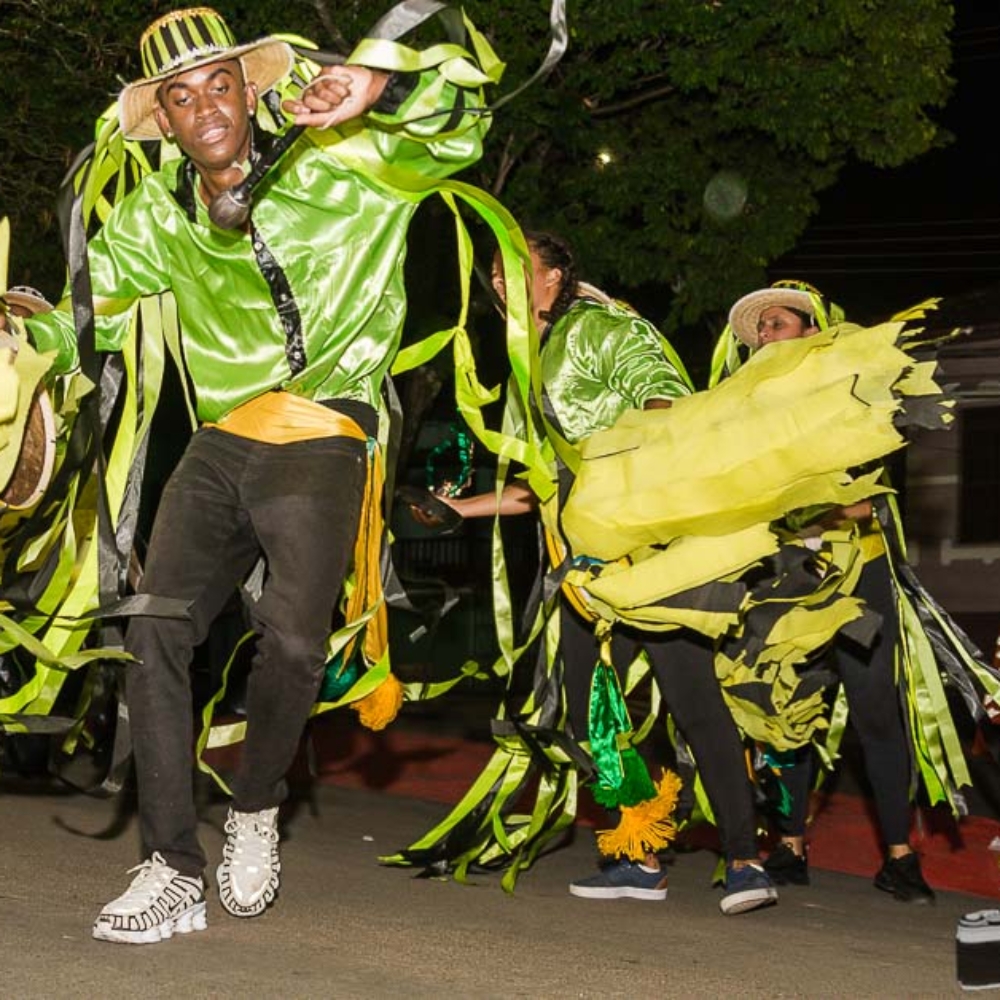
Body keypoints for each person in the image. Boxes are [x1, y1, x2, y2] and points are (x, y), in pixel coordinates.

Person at [4, 5, 497, 944]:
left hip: (322, 429)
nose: (204, 109)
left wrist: (380, 85)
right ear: (168, 120)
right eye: (180, 98)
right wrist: (16, 330)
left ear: (250, 87)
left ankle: (259, 804)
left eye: (217, 84)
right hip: (222, 442)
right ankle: (171, 865)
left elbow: (462, 126)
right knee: (151, 629)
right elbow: (83, 308)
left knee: (295, 642)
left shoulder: (350, 163)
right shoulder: (158, 214)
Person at [411, 231, 779, 915]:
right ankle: (638, 854)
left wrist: (642, 477)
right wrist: (458, 507)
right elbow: (539, 484)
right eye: (491, 273)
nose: (498, 282)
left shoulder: (603, 328)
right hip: (584, 568)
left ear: (553, 277)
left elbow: (670, 400)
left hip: (649, 551)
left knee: (692, 698)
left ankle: (746, 860)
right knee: (590, 714)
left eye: (512, 269)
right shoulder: (533, 361)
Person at [725, 284, 935, 903]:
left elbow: (864, 499)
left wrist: (814, 505)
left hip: (859, 577)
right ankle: (789, 845)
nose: (766, 332)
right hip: (785, 582)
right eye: (760, 327)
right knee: (788, 715)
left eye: (778, 322)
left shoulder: (850, 396)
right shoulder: (747, 415)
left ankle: (898, 855)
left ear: (812, 332)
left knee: (875, 712)